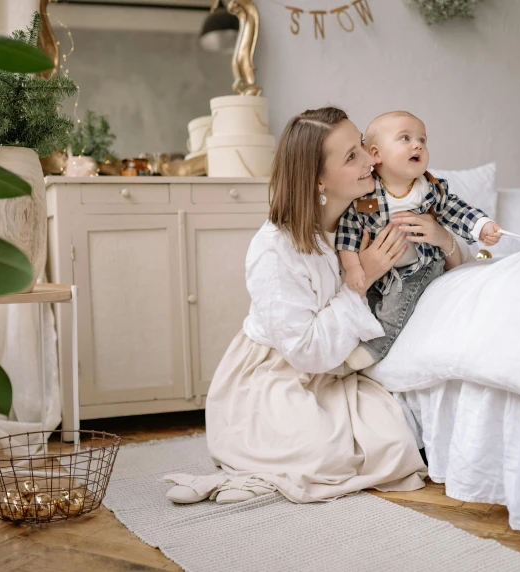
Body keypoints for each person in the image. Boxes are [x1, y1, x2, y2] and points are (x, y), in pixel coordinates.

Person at [163, 107, 463, 505]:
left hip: (334, 369)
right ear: (319, 179)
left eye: (362, 146)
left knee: (392, 439)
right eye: (352, 156)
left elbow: (441, 271)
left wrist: (444, 239)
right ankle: (249, 476)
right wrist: (365, 278)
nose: (371, 159)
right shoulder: (274, 248)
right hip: (275, 374)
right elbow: (305, 351)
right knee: (323, 453)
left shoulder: (363, 220)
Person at [337, 111, 501, 371]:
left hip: (419, 267)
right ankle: (346, 349)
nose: (418, 145)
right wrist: (354, 267)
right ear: (377, 154)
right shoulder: (366, 195)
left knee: (397, 306)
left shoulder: (429, 190)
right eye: (405, 138)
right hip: (379, 272)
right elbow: (347, 234)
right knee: (365, 305)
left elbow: (457, 211)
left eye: (423, 140)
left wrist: (482, 226)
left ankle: (373, 349)